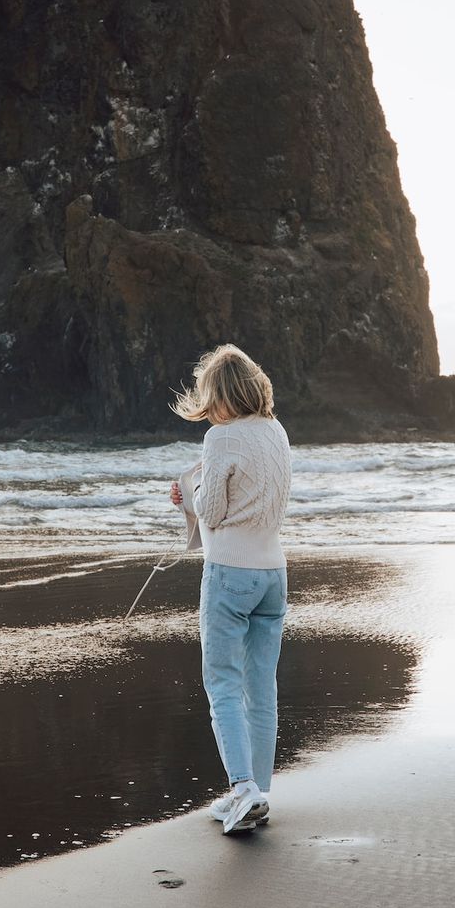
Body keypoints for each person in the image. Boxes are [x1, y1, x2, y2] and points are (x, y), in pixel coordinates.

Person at [169, 344, 292, 835]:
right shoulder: (277, 431)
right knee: (261, 687)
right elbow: (259, 497)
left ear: (218, 395)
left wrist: (189, 496)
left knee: (222, 682)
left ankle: (243, 789)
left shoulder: (220, 439)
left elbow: (214, 512)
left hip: (230, 574)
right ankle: (256, 791)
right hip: (273, 574)